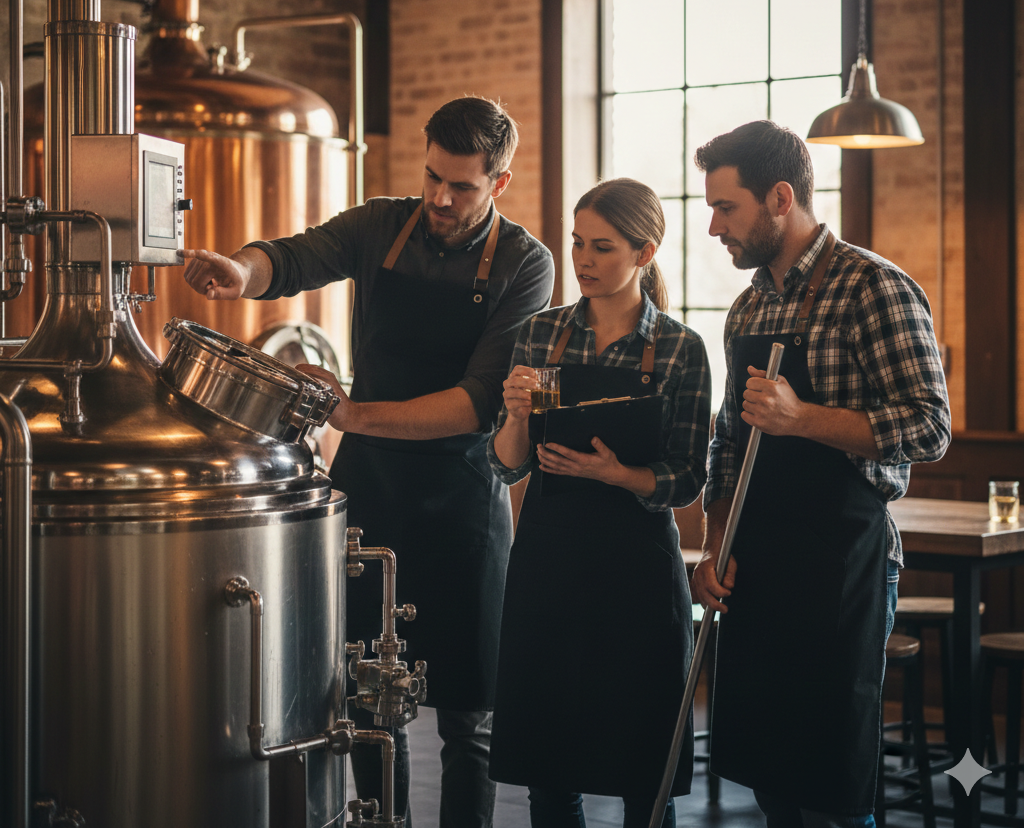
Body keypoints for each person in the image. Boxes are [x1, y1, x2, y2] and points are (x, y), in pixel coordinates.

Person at [181, 96, 555, 828]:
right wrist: (241, 270)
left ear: (500, 183)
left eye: (463, 187)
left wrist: (350, 414)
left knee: (466, 723)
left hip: (463, 505)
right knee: (363, 699)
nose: (441, 199)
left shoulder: (524, 263)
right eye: (432, 178)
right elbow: (293, 256)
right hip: (371, 494)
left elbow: (477, 402)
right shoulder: (381, 224)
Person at [690, 121, 950, 828]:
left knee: (831, 783)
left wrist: (804, 418)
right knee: (770, 774)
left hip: (843, 562)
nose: (713, 227)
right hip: (758, 561)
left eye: (726, 207)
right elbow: (727, 444)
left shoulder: (874, 288)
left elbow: (930, 427)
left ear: (780, 198)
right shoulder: (748, 306)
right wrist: (716, 544)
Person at [486, 177, 711, 828]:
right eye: (578, 243)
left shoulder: (678, 349)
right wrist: (516, 416)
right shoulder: (541, 335)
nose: (582, 260)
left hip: (637, 576)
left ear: (645, 252)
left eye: (603, 247)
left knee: (647, 773)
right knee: (549, 772)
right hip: (549, 570)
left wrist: (618, 474)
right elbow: (507, 466)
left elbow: (688, 477)